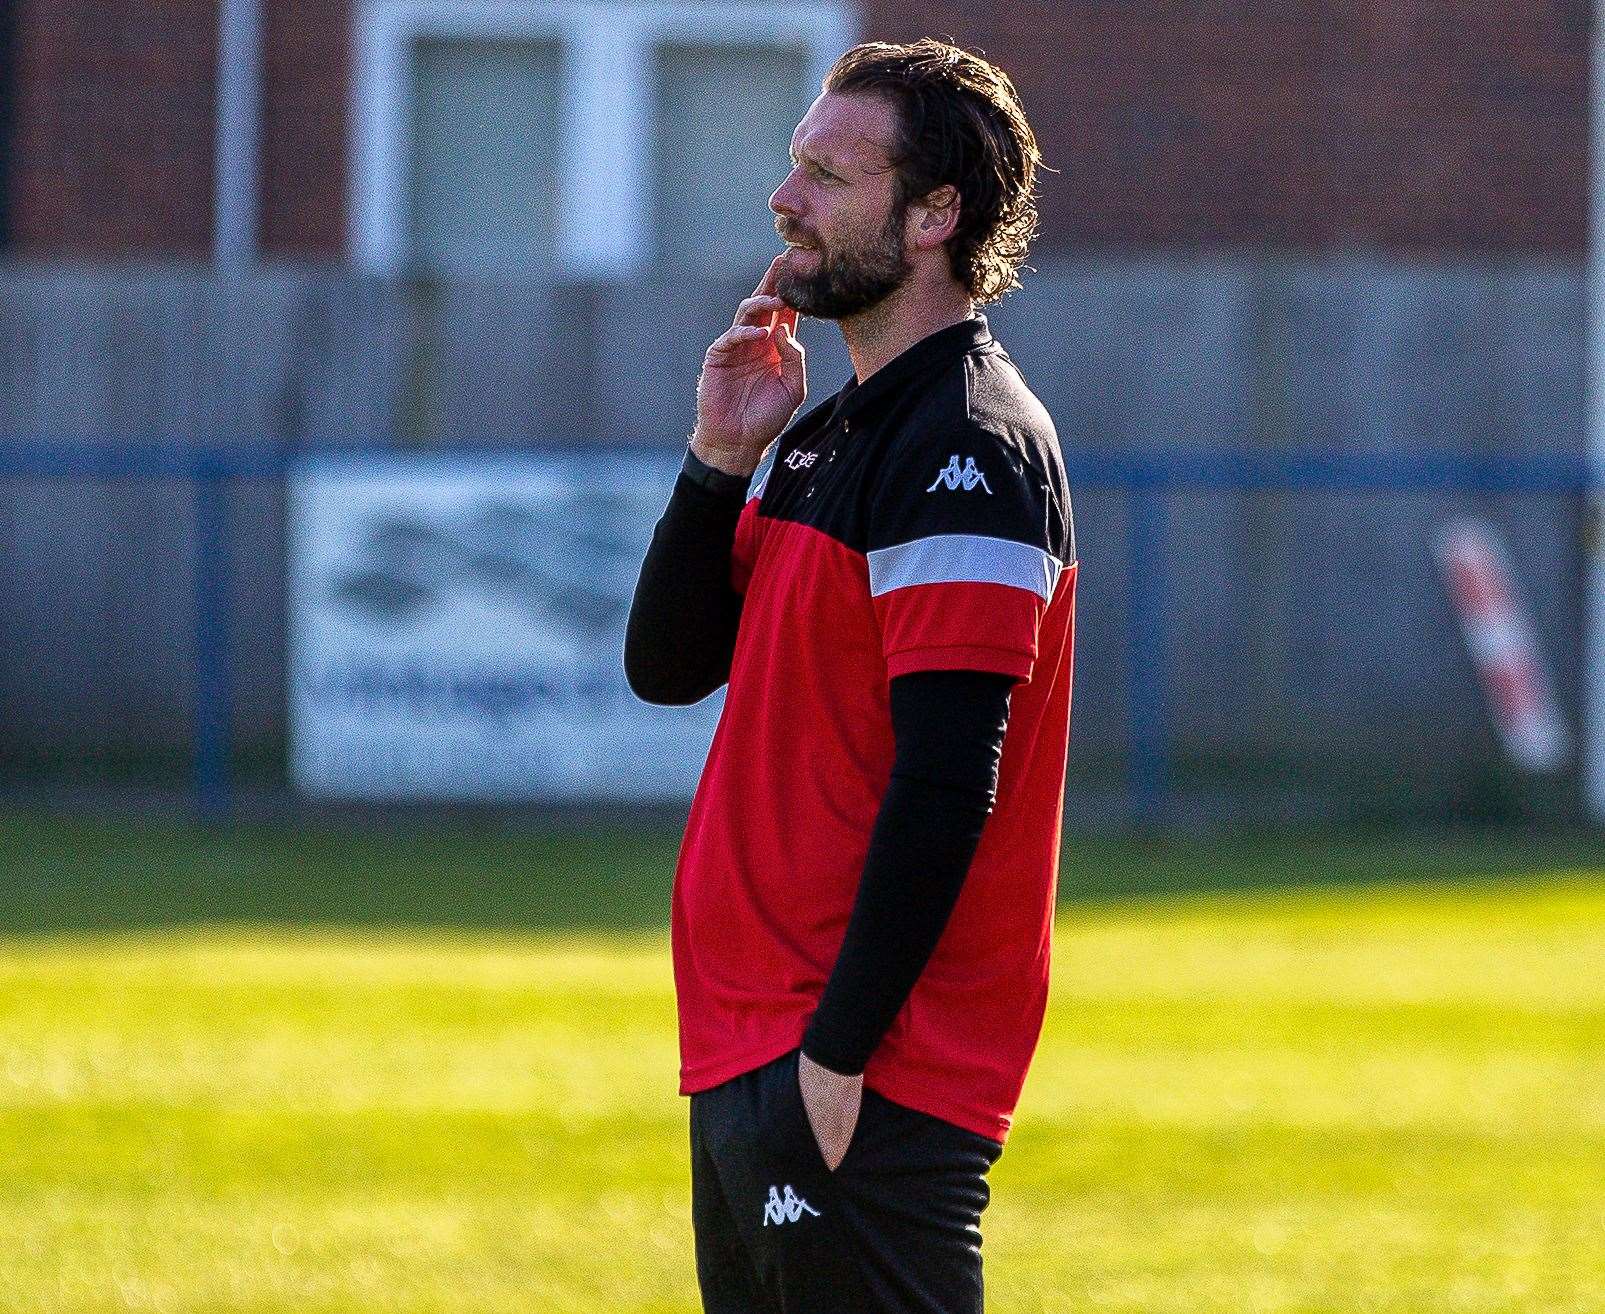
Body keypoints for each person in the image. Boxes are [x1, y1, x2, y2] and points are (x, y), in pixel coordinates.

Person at [625, 38, 1075, 1314]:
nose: (785, 200)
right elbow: (668, 668)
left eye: (829, 173)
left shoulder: (970, 446)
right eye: (792, 167)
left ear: (937, 214)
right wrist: (719, 458)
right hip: (753, 1040)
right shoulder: (830, 431)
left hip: (862, 1064)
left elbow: (947, 781)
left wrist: (838, 1052)